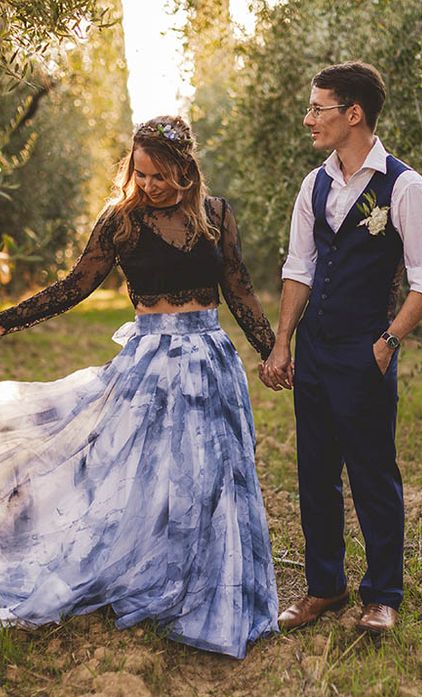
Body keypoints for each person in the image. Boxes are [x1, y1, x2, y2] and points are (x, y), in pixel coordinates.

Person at [0, 116, 279, 659]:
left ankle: (208, 588)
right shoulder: (120, 221)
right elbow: (75, 286)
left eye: (158, 175)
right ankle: (152, 576)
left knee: (213, 479)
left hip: (212, 363)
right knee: (149, 480)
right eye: (139, 173)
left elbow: (239, 289)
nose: (147, 185)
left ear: (185, 171)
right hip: (150, 367)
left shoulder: (216, 216)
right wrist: (7, 319)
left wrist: (273, 351)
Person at [260, 62, 422, 633]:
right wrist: (283, 342)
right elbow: (299, 268)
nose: (309, 118)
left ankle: (383, 593)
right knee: (315, 473)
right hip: (314, 350)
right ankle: (325, 588)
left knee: (371, 473)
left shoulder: (406, 188)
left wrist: (387, 343)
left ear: (354, 114)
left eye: (319, 108)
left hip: (366, 352)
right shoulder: (313, 185)